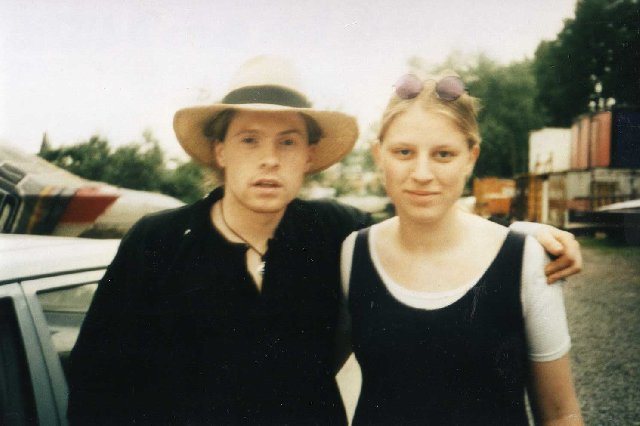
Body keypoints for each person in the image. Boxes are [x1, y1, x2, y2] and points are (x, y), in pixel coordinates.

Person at [67, 57, 582, 425]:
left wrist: (524, 236)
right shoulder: (156, 244)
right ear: (220, 150)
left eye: (287, 141)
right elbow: (95, 389)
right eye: (249, 140)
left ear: (309, 156)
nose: (269, 159)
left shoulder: (335, 232)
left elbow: (419, 224)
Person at [341, 72, 583, 425]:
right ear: (379, 156)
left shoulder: (527, 260)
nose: (422, 173)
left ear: (470, 158)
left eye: (443, 154)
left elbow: (561, 414)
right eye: (404, 152)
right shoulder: (353, 254)